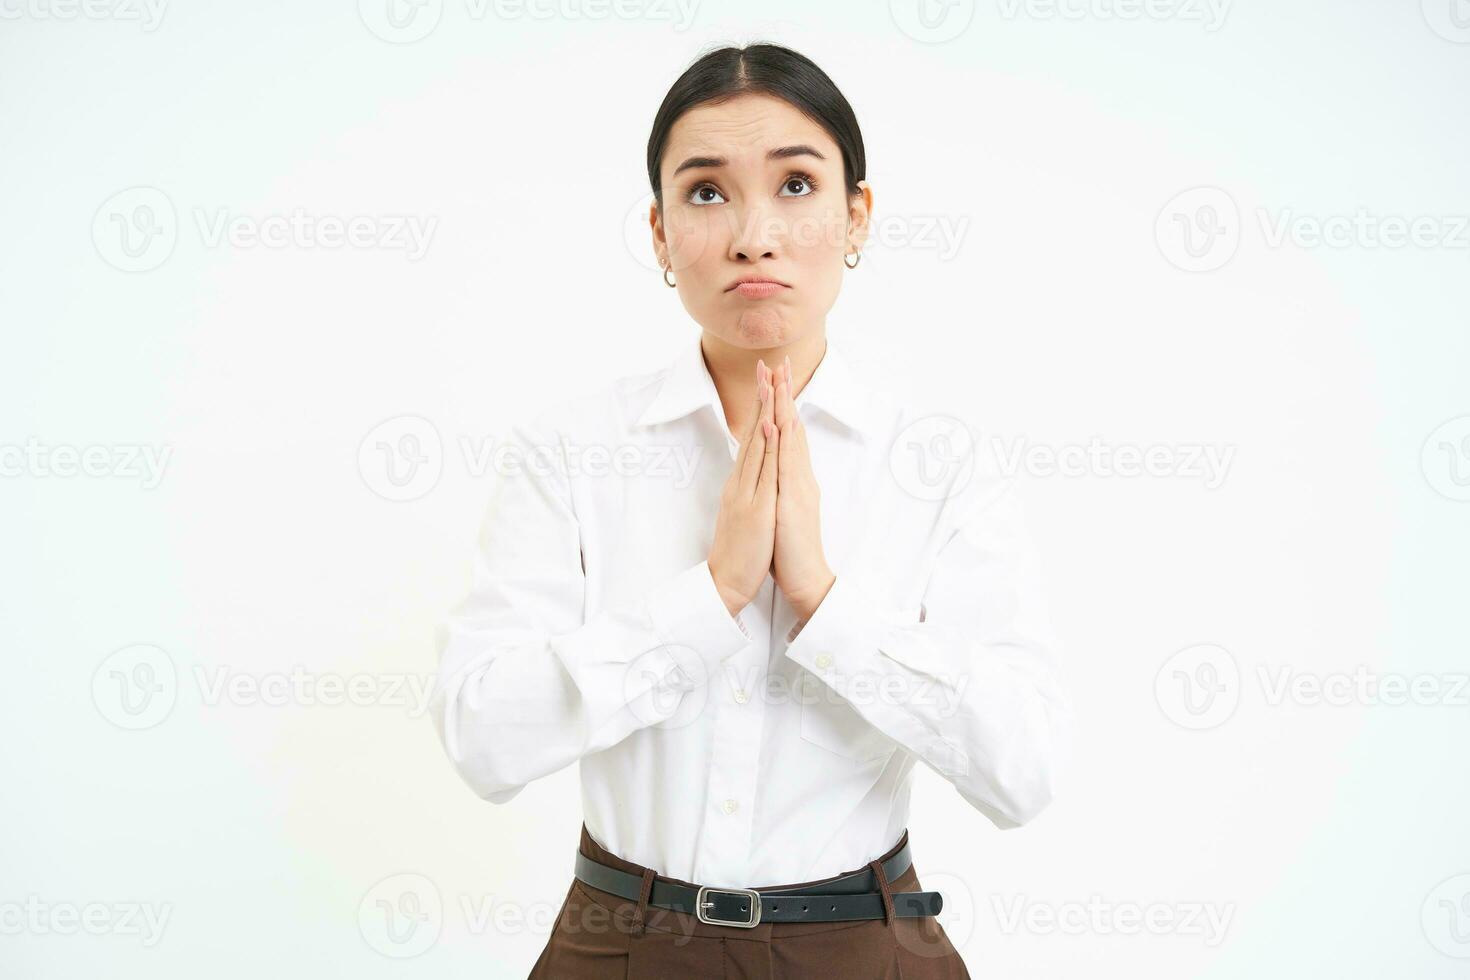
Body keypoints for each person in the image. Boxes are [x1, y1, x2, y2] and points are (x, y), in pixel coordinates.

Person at [429, 42, 1069, 978]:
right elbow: (483, 742)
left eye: (798, 186)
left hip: (865, 945)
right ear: (658, 234)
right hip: (620, 944)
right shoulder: (570, 452)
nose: (753, 235)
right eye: (705, 192)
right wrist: (712, 595)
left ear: (859, 216)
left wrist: (822, 600)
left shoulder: (940, 467)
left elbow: (1025, 773)